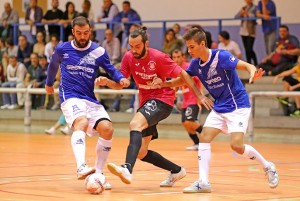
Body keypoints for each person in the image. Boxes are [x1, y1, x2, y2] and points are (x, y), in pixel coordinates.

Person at [159, 28, 279, 193]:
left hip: (238, 105)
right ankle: (204, 182)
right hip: (220, 106)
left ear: (202, 44)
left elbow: (246, 65)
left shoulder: (221, 56)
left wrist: (253, 73)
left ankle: (268, 166)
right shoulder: (195, 64)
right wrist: (164, 84)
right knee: (204, 137)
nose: (189, 50)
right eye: (187, 47)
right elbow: (182, 80)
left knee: (236, 146)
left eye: (192, 47)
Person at [96, 26, 203, 187]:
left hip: (163, 99)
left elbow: (184, 76)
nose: (134, 50)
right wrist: (107, 82)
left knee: (135, 124)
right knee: (141, 152)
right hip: (146, 102)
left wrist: (198, 94)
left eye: (137, 46)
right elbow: (120, 84)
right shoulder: (128, 57)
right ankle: (177, 170)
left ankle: (127, 168)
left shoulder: (159, 57)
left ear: (146, 44)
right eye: (131, 46)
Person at [45, 16, 130, 189]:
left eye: (85, 33)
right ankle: (81, 166)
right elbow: (53, 65)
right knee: (81, 122)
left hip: (89, 98)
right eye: (79, 33)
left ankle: (98, 173)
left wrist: (121, 79)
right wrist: (48, 83)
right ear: (73, 32)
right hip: (70, 95)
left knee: (107, 129)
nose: (82, 36)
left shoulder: (98, 51)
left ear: (90, 31)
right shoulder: (62, 49)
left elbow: (111, 69)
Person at [172, 49, 203, 151]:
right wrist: (174, 93)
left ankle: (207, 135)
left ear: (183, 57)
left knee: (190, 121)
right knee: (185, 123)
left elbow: (200, 80)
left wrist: (201, 96)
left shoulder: (189, 67)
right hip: (186, 100)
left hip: (194, 98)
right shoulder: (175, 69)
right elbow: (176, 83)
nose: (176, 59)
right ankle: (197, 144)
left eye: (178, 57)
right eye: (174, 57)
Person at [234, 0, 258, 65]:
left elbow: (256, 16)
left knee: (250, 48)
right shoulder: (243, 7)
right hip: (243, 31)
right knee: (246, 49)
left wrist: (247, 14)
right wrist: (241, 14)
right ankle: (249, 63)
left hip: (251, 31)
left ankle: (256, 63)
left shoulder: (255, 7)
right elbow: (236, 17)